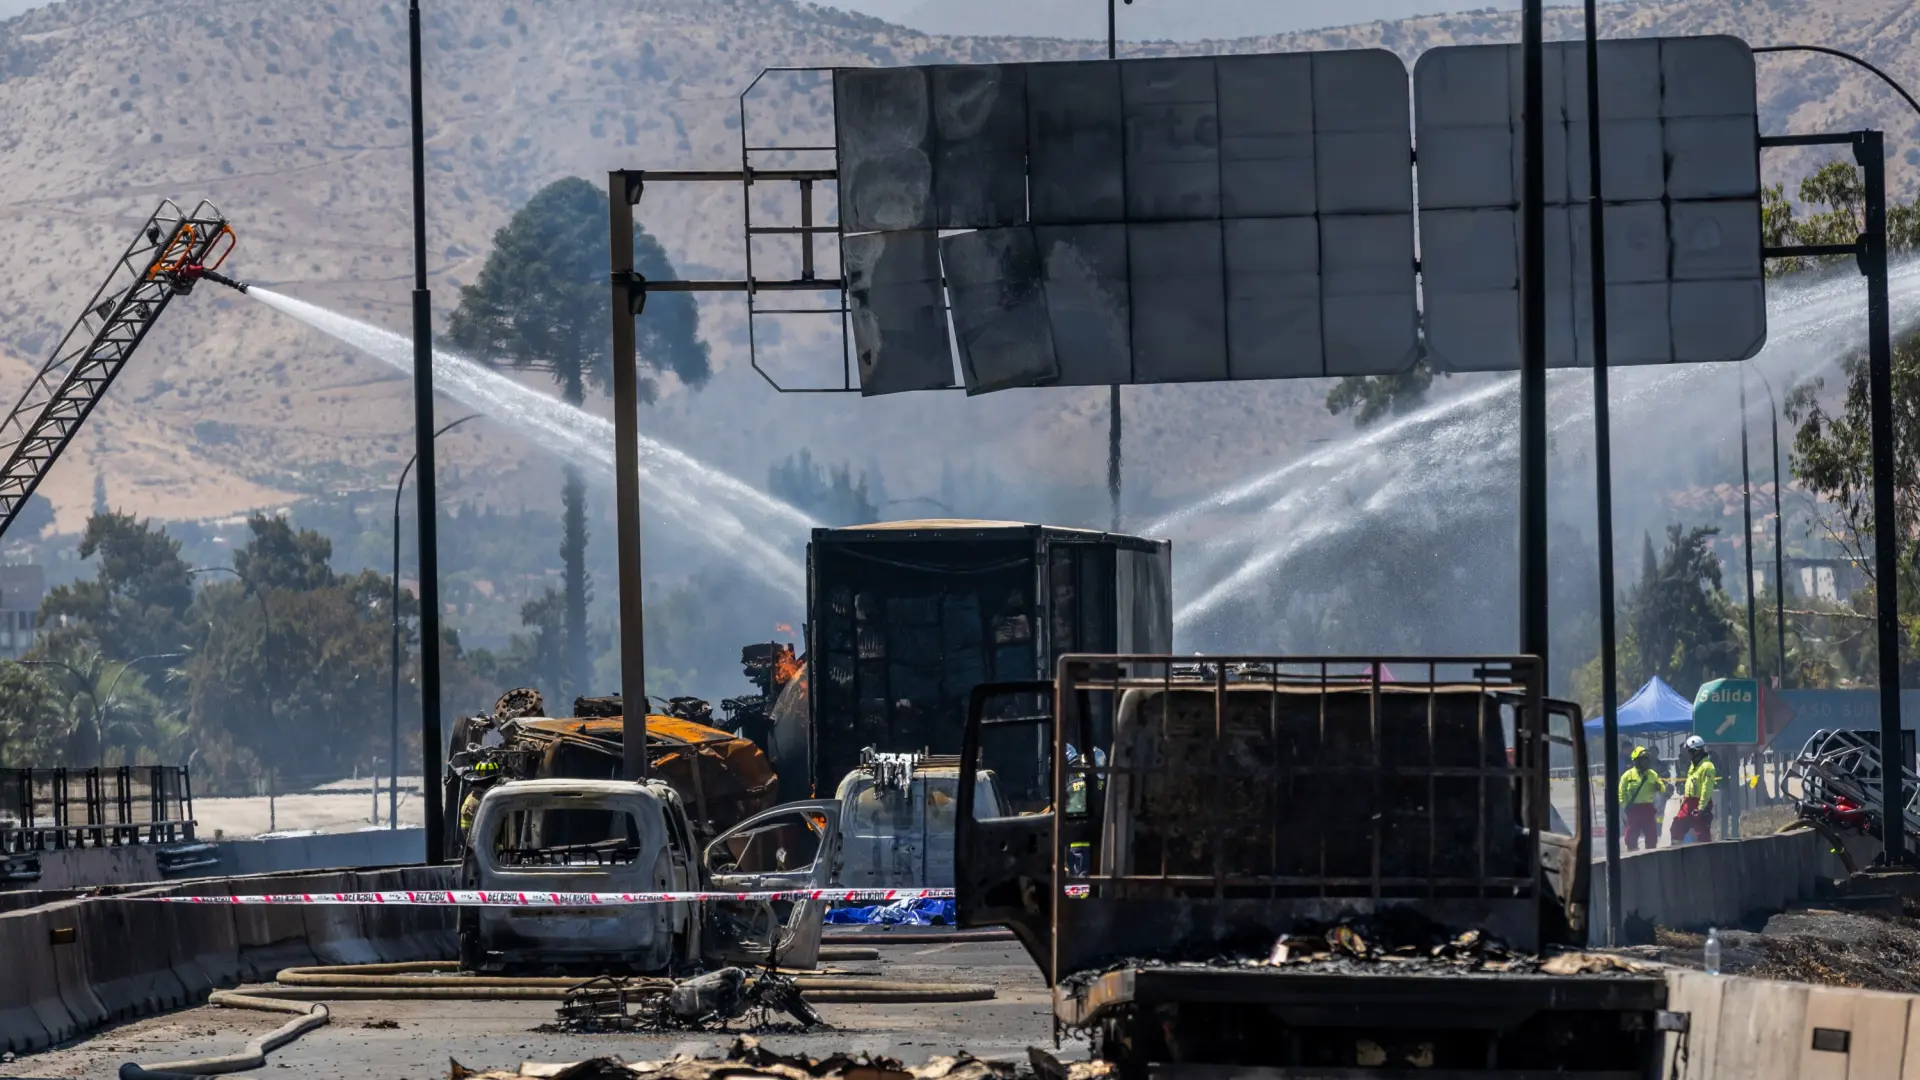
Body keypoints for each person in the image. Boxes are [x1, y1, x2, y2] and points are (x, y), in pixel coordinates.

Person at [1670, 735, 1719, 845]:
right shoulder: (1694, 765)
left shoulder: (1707, 766)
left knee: (1702, 834)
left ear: (1696, 751)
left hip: (1700, 803)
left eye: (1689, 751)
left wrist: (1701, 808)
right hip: (1688, 802)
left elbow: (1707, 789)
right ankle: (1679, 855)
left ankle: (1705, 857)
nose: (1687, 754)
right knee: (1676, 828)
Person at [1618, 746, 1668, 851]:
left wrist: (1659, 787)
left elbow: (1662, 788)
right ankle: (1632, 853)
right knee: (1631, 836)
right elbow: (1621, 793)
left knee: (1651, 835)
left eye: (1647, 759)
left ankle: (1651, 854)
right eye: (1643, 759)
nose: (1646, 762)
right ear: (1636, 761)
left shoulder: (1652, 774)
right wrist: (1624, 808)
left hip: (1648, 809)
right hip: (1633, 809)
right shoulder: (1627, 776)